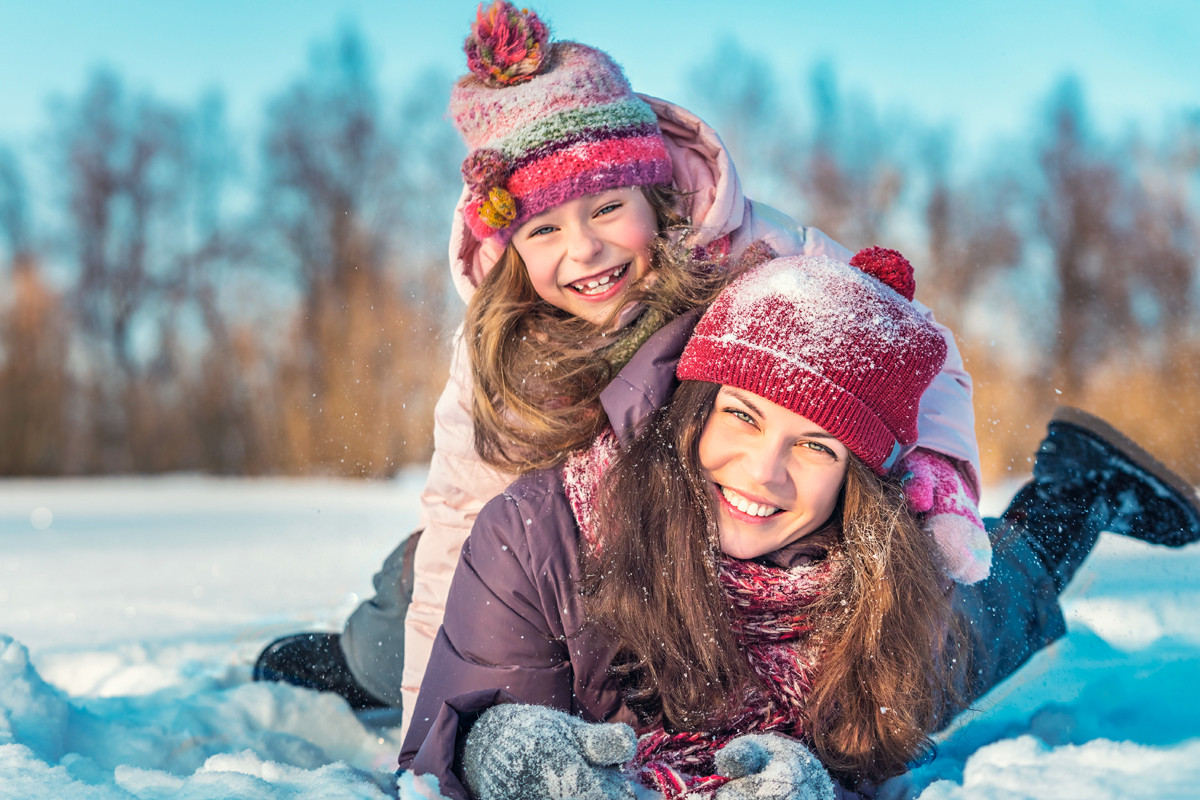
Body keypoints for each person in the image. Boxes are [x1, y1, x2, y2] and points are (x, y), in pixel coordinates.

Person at [254, 1, 984, 734]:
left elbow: (919, 345)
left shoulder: (755, 257)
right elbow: (458, 521)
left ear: (653, 192)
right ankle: (356, 658)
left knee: (962, 616)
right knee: (418, 604)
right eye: (544, 229)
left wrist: (939, 479)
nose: (586, 251)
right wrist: (425, 735)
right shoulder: (501, 350)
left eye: (608, 208)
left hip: (702, 546)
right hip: (542, 561)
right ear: (511, 246)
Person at [396, 252, 1200, 800]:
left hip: (914, 590)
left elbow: (873, 756)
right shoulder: (541, 539)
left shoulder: (894, 591)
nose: (762, 472)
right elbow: (448, 731)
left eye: (814, 445)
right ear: (692, 413)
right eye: (740, 417)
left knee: (1008, 586)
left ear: (858, 479)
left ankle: (1081, 488)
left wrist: (821, 785)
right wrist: (498, 752)